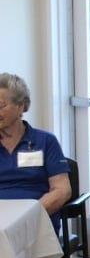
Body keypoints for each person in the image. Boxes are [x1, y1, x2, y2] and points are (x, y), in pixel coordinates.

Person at [0, 73, 71, 234]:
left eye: (0, 106)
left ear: (20, 106)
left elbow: (62, 190)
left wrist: (27, 216)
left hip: (35, 222)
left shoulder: (45, 141)